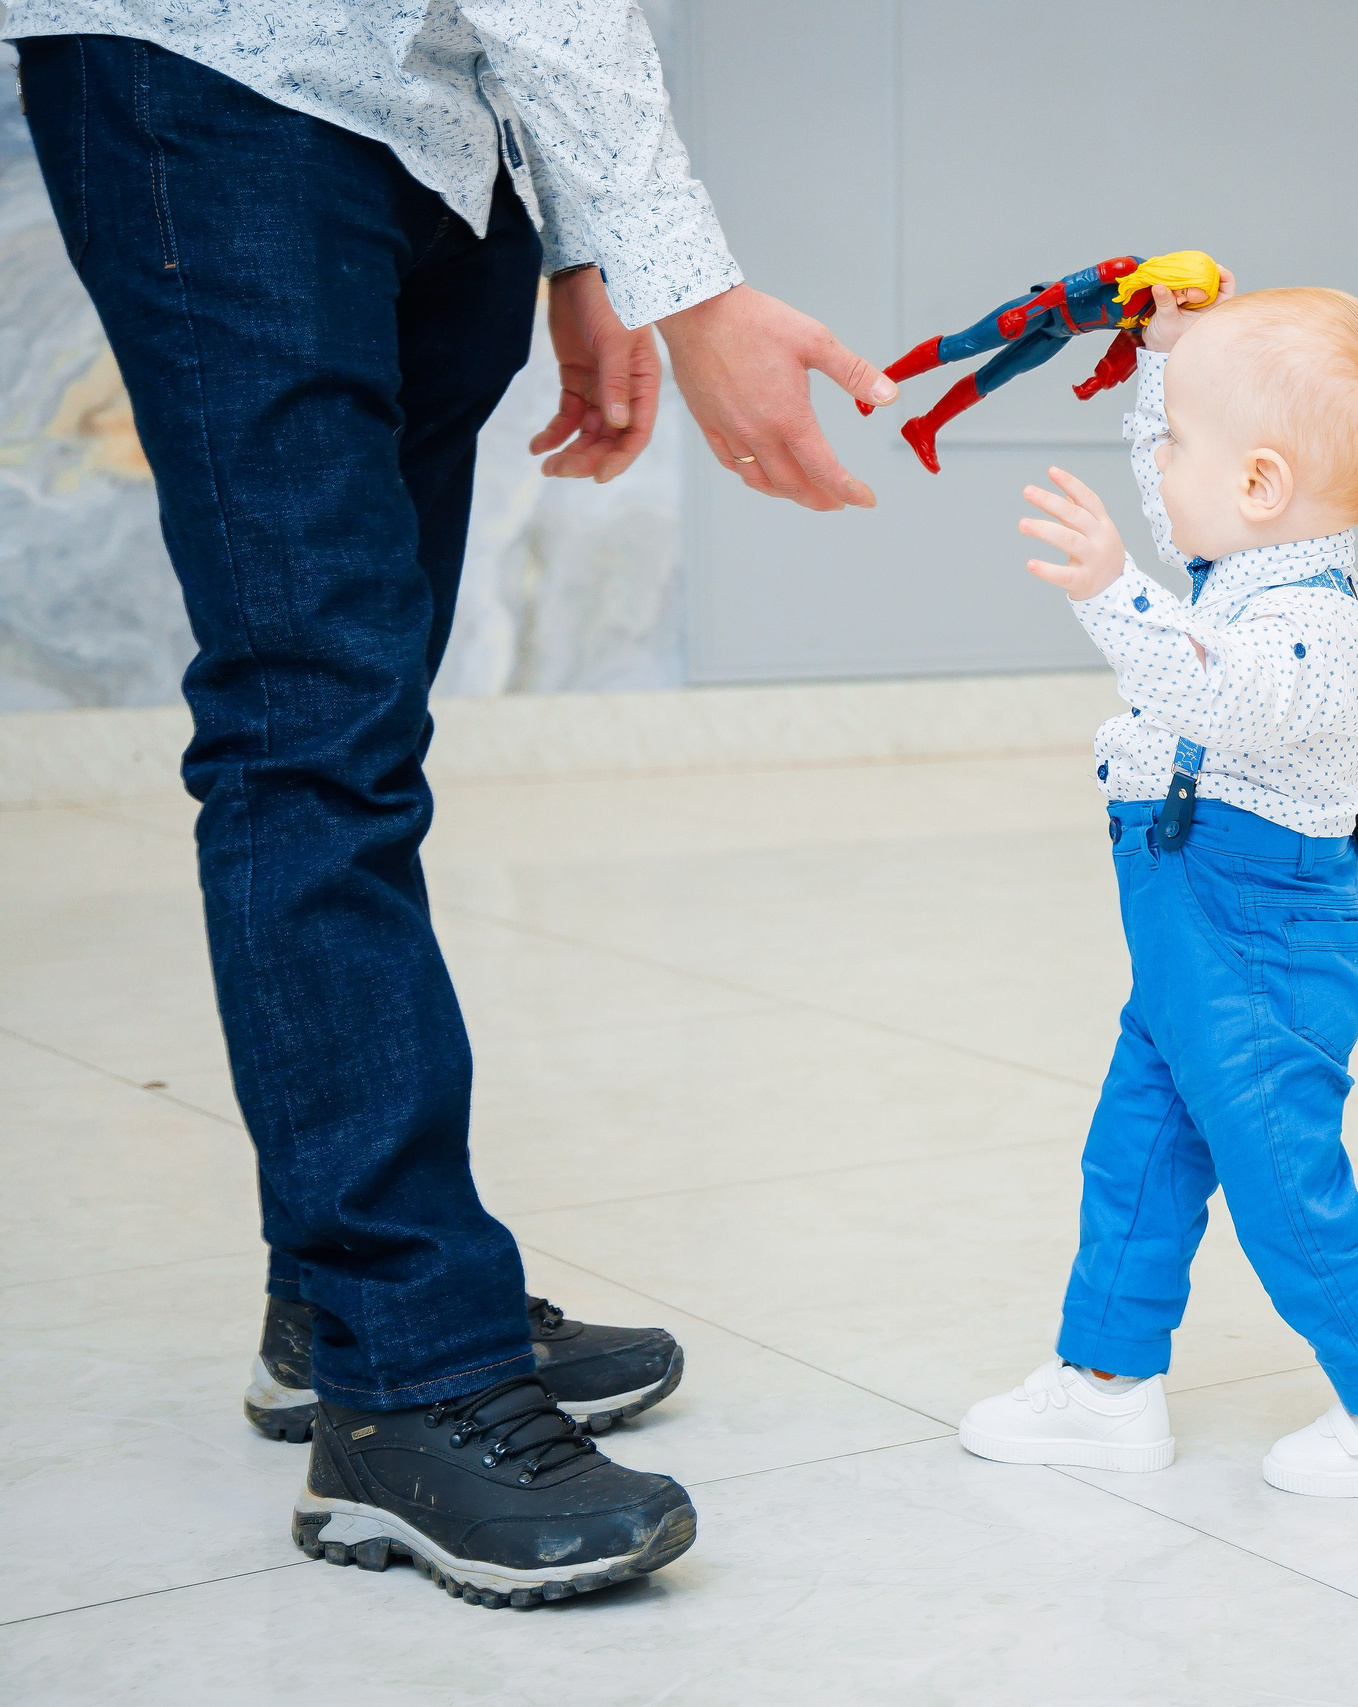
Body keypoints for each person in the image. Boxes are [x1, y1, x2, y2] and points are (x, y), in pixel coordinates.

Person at [5, 1, 894, 1608]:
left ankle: (332, 1292)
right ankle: (404, 1365)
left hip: (441, 127)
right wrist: (689, 283)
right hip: (219, 82)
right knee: (310, 727)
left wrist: (578, 243)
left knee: (363, 722)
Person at [957, 280, 1358, 1497]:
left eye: (1177, 442)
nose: (1154, 466)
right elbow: (1184, 506)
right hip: (1190, 922)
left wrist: (1110, 590)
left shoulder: (1309, 624)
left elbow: (1216, 691)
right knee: (1137, 1149)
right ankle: (1104, 1382)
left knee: (1279, 1177)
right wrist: (1165, 362)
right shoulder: (1249, 553)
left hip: (1258, 934)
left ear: (1257, 483)